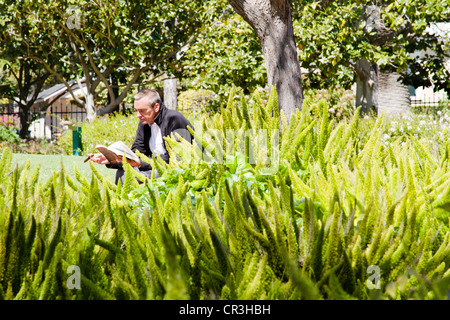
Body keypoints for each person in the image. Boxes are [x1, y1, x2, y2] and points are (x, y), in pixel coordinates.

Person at [87, 89, 193, 184]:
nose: (138, 115)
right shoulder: (145, 122)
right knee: (124, 172)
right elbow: (137, 153)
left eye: (142, 110)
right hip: (154, 166)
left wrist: (140, 162)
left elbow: (177, 157)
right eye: (136, 110)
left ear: (156, 107)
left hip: (175, 168)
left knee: (140, 176)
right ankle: (123, 204)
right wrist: (113, 158)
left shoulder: (174, 119)